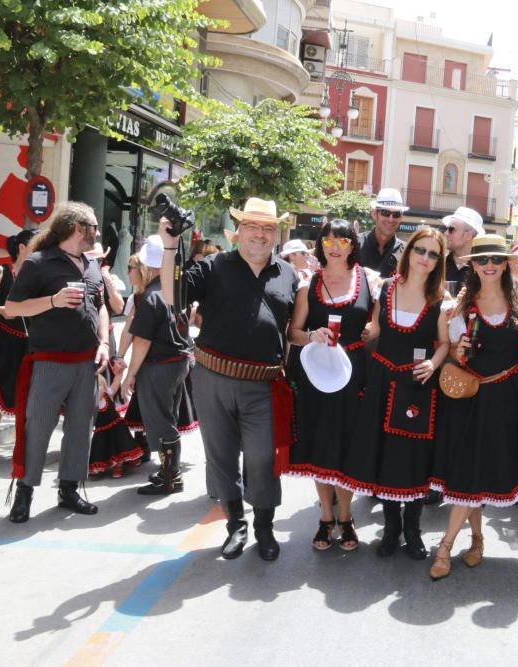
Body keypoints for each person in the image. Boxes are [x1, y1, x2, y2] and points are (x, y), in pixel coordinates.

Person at [159, 197, 298, 561]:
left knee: (262, 458)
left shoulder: (288, 273)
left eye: (268, 228)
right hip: (213, 379)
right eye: (252, 226)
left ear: (276, 234)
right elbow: (174, 296)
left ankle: (264, 527)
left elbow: (296, 328)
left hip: (264, 383)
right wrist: (171, 245)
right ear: (238, 233)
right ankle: (236, 525)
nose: (260, 235)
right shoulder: (215, 265)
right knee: (220, 456)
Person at [429, 234, 518, 580]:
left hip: (508, 398)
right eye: (482, 260)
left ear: (506, 263)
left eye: (495, 259)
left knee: (479, 472)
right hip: (470, 399)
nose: (489, 265)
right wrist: (460, 349)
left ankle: (475, 541)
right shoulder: (460, 309)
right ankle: (448, 545)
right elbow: (456, 356)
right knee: (467, 472)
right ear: (472, 265)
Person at [340, 226, 450, 560]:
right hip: (382, 381)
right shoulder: (385, 289)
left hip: (417, 386)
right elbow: (376, 327)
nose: (425, 259)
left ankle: (413, 529)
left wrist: (433, 364)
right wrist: (365, 329)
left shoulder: (440, 301)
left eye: (433, 254)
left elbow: (445, 343)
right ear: (409, 251)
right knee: (386, 455)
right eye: (421, 250)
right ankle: (390, 528)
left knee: (415, 459)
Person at [4, 201, 110, 523]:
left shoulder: (91, 265)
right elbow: (11, 308)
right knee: (37, 426)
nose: (97, 232)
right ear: (79, 229)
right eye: (94, 226)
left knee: (81, 427)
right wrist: (53, 300)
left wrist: (105, 343)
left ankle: (69, 490)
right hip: (49, 360)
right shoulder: (38, 263)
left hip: (86, 361)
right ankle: (25, 493)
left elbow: (102, 307)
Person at [286, 219, 376, 552]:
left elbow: (379, 323)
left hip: (354, 376)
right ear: (320, 245)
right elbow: (293, 332)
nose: (335, 247)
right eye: (328, 241)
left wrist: (373, 330)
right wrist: (312, 335)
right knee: (321, 445)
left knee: (348, 446)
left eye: (342, 241)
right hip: (317, 375)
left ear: (353, 245)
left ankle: (347, 516)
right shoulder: (308, 284)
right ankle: (326, 516)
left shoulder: (369, 281)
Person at [119, 235, 194, 496]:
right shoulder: (174, 287)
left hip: (160, 364)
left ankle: (170, 477)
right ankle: (168, 472)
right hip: (177, 362)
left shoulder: (152, 295)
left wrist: (130, 374)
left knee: (161, 423)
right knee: (167, 419)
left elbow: (141, 341)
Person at [0, 229, 37, 465]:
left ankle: (22, 445)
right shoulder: (0, 271)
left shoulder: (38, 276)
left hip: (30, 341)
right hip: (2, 337)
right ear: (22, 247)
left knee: (28, 392)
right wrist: (3, 310)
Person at [357, 188, 408, 278]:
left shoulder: (406, 252)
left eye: (396, 214)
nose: (391, 219)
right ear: (374, 214)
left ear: (401, 217)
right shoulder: (356, 244)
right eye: (385, 212)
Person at [442, 206, 484, 294]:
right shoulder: (437, 264)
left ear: (468, 235)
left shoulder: (483, 269)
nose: (445, 233)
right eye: (446, 229)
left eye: (451, 229)